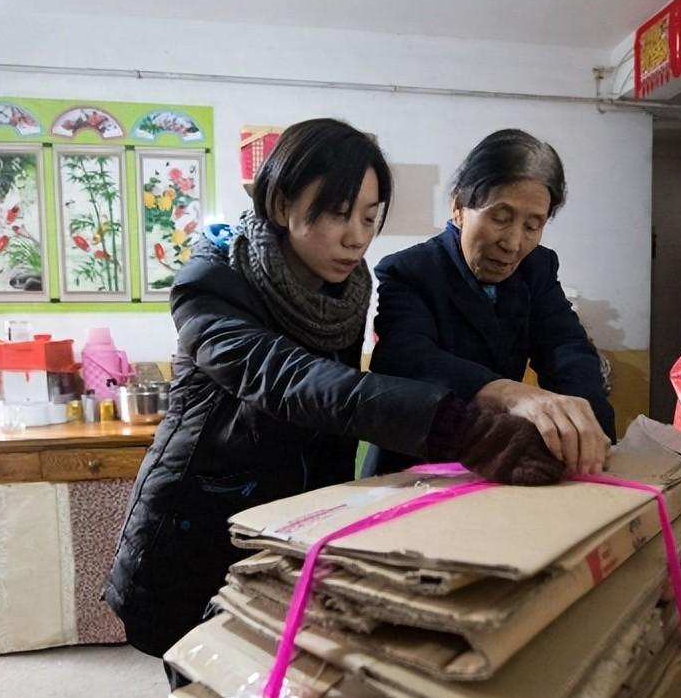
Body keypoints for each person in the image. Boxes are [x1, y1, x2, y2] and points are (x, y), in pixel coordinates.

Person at [104, 119, 564, 666]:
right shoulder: (212, 284)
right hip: (200, 533)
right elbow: (293, 380)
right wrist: (460, 426)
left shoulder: (344, 292)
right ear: (281, 203)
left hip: (297, 532)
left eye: (370, 218)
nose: (357, 237)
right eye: (337, 214)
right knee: (207, 670)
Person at [369, 129, 615, 478]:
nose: (513, 243)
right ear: (458, 206)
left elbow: (565, 347)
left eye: (533, 225)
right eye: (500, 218)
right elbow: (405, 356)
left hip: (500, 460)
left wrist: (589, 427)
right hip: (420, 464)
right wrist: (506, 392)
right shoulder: (412, 270)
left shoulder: (537, 269)